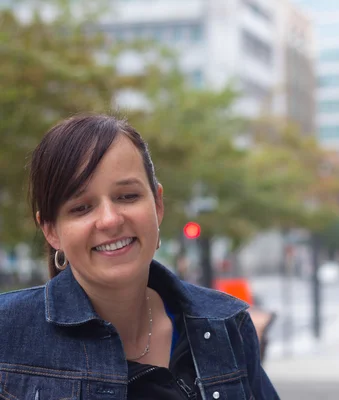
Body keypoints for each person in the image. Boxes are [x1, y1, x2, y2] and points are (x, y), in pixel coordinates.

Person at [0, 114, 280, 399]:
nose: (109, 220)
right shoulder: (6, 333)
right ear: (51, 230)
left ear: (157, 204)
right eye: (82, 208)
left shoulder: (227, 327)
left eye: (127, 197)